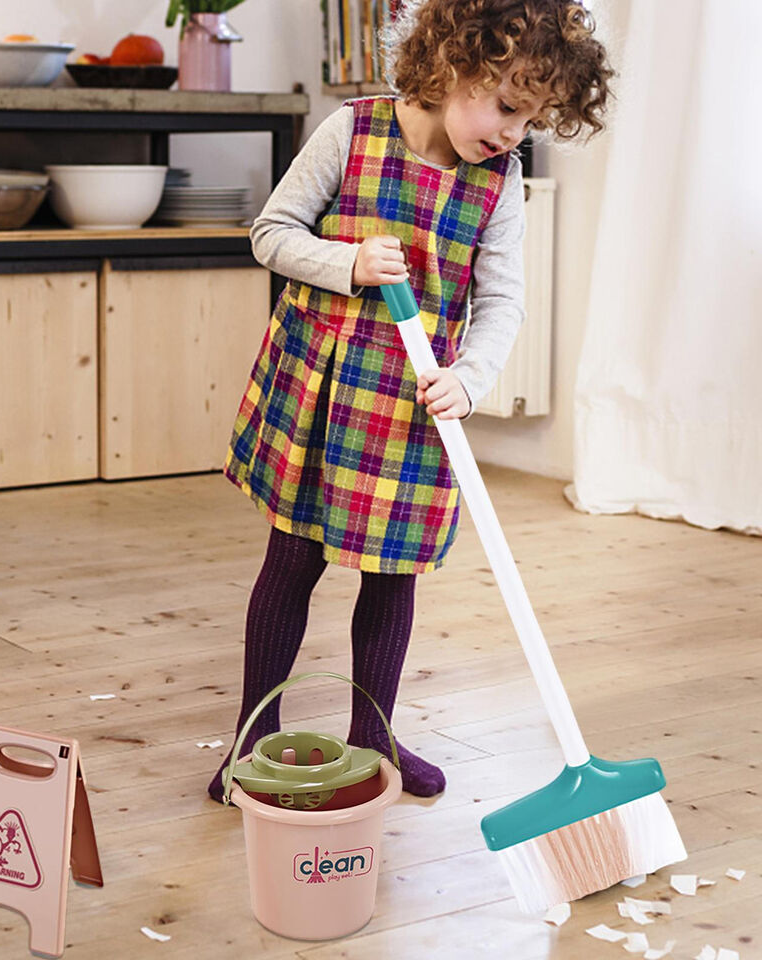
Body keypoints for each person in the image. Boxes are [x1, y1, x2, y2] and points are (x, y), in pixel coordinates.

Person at [209, 0, 614, 801]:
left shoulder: (497, 184)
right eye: (503, 105)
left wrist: (470, 378)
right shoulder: (352, 132)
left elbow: (502, 303)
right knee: (294, 560)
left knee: (394, 577)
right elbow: (272, 233)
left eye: (528, 119)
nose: (509, 134)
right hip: (321, 391)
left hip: (412, 407)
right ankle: (250, 741)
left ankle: (375, 735)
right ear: (452, 62)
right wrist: (347, 261)